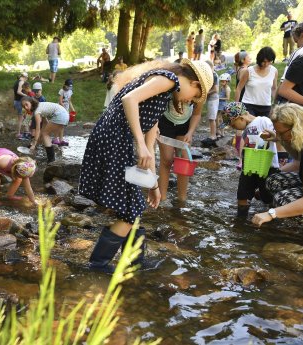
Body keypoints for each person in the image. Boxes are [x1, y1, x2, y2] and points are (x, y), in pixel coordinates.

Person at [78, 58, 213, 272]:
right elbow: (130, 99)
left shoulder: (162, 94)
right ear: (194, 84)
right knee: (131, 208)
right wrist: (139, 143)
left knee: (133, 204)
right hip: (114, 138)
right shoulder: (168, 78)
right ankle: (98, 264)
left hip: (116, 139)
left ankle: (135, 261)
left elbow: (150, 148)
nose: (189, 102)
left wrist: (154, 186)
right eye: (194, 97)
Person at [252, 103, 303, 237]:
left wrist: (271, 214)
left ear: (297, 128)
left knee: (282, 200)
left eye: (282, 133)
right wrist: (279, 138)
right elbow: (297, 160)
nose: (280, 137)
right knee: (274, 181)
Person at [220, 102, 279, 217]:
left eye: (232, 125)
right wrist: (241, 159)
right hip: (249, 167)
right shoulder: (246, 129)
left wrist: (273, 136)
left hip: (267, 167)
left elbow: (277, 136)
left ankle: (271, 219)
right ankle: (240, 220)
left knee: (269, 197)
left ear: (240, 118)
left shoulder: (263, 121)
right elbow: (245, 145)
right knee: (242, 194)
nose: (233, 128)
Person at [157, 101, 203, 202]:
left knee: (184, 159)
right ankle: (162, 198)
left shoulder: (201, 91)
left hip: (186, 124)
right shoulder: (170, 87)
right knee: (167, 160)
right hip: (165, 122)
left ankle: (182, 199)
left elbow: (197, 113)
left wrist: (190, 132)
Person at [22, 97, 69, 163]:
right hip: (65, 115)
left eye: (26, 104)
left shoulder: (37, 111)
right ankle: (50, 158)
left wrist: (34, 144)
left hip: (60, 115)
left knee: (45, 135)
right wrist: (37, 140)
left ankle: (51, 159)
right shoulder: (40, 106)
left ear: (31, 102)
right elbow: (45, 123)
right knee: (44, 134)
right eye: (24, 106)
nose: (26, 107)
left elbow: (38, 128)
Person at [235, 46, 277, 117]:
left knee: (264, 127)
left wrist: (276, 103)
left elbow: (274, 88)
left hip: (266, 106)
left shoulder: (274, 71)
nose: (266, 64)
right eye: (264, 61)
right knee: (252, 127)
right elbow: (239, 88)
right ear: (259, 59)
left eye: (269, 62)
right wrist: (236, 106)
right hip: (249, 105)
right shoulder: (249, 71)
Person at [201, 61, 220, 146]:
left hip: (213, 99)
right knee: (213, 118)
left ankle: (213, 136)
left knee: (212, 118)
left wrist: (205, 93)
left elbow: (216, 90)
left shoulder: (214, 75)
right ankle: (215, 133)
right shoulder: (212, 75)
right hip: (211, 99)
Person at [55, 78, 74, 146]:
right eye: (68, 86)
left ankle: (61, 140)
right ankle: (55, 139)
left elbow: (69, 101)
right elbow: (60, 102)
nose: (69, 87)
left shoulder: (70, 91)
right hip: (60, 109)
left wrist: (73, 109)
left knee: (63, 125)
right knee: (59, 124)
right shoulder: (61, 91)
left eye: (70, 86)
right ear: (65, 85)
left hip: (66, 109)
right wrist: (65, 111)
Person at [13, 72, 28, 139]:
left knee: (24, 116)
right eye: (27, 78)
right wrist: (27, 95)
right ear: (24, 77)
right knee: (20, 118)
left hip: (16, 101)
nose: (26, 79)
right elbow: (18, 92)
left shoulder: (16, 82)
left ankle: (26, 131)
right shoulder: (21, 82)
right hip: (20, 102)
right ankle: (18, 133)